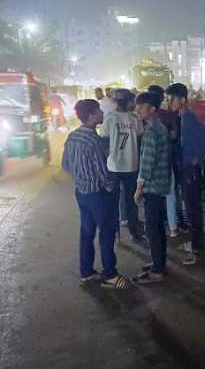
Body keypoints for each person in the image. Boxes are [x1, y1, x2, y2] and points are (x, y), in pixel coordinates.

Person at [62, 100, 132, 290]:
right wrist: (110, 187)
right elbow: (103, 171)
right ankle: (110, 274)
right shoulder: (94, 140)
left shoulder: (73, 136)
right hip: (98, 195)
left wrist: (81, 178)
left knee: (86, 233)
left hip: (81, 193)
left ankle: (86, 272)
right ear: (91, 116)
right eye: (99, 111)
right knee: (107, 233)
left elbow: (65, 165)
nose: (102, 113)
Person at [166, 83, 205, 266]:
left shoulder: (189, 118)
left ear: (183, 100)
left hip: (189, 169)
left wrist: (196, 159)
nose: (170, 102)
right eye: (168, 99)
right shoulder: (181, 117)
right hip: (185, 167)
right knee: (189, 205)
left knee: (193, 207)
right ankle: (195, 242)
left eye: (172, 99)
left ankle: (197, 247)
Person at [132, 93, 171, 284]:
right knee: (157, 227)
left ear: (152, 109)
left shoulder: (152, 131)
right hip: (161, 184)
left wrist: (139, 189)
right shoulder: (159, 127)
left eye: (142, 107)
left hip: (153, 186)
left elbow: (147, 164)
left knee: (152, 229)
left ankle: (157, 270)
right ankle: (159, 263)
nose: (138, 110)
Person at [99, 89, 145, 244]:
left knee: (113, 201)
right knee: (131, 201)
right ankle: (134, 233)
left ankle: (116, 235)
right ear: (128, 102)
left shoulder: (109, 119)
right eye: (132, 100)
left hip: (113, 166)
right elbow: (139, 140)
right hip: (131, 165)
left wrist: (110, 157)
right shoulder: (135, 118)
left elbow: (104, 142)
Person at [148, 85, 180, 238]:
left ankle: (155, 227)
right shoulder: (170, 115)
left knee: (153, 195)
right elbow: (174, 135)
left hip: (150, 161)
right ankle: (173, 228)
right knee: (170, 193)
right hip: (167, 159)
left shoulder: (145, 117)